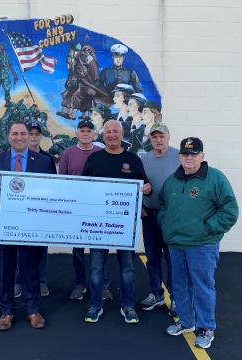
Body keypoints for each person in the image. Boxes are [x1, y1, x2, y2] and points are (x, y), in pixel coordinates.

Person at [159, 137, 239, 349]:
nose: (189, 158)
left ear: (202, 156)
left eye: (194, 154)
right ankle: (186, 322)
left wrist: (207, 228)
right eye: (185, 154)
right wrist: (167, 225)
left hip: (202, 245)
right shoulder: (172, 181)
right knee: (179, 285)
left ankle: (206, 327)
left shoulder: (215, 179)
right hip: (176, 244)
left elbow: (229, 210)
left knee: (203, 286)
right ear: (180, 156)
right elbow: (163, 206)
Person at [0, 120, 55, 330]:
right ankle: (7, 311)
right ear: (8, 136)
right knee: (5, 269)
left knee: (30, 268)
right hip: (4, 227)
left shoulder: (43, 162)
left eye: (23, 133)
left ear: (29, 136)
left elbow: (53, 193)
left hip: (31, 225)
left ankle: (32, 309)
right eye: (15, 134)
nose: (20, 137)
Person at [82, 120, 151, 324]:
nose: (112, 135)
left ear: (122, 134)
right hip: (98, 225)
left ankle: (128, 306)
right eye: (108, 131)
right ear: (103, 135)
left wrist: (147, 189)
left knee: (128, 268)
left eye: (115, 131)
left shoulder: (133, 159)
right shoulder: (94, 159)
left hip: (124, 226)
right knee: (96, 268)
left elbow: (145, 184)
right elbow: (82, 188)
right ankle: (95, 305)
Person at [58, 119, 113, 301]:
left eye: (89, 130)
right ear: (77, 133)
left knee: (100, 248)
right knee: (78, 251)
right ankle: (80, 284)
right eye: (82, 130)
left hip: (97, 209)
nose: (86, 133)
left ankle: (103, 285)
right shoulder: (68, 153)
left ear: (94, 134)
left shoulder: (101, 152)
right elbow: (62, 181)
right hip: (75, 210)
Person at [139, 123, 180, 313]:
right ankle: (156, 293)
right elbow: (137, 184)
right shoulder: (144, 158)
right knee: (152, 257)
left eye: (161, 136)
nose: (158, 140)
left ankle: (175, 297)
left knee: (172, 258)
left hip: (170, 217)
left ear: (168, 137)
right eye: (154, 137)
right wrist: (141, 207)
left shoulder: (179, 157)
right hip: (150, 215)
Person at [14, 121, 56, 299]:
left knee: (41, 249)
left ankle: (41, 280)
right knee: (19, 249)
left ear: (40, 136)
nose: (33, 136)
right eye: (30, 133)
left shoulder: (47, 159)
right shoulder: (16, 157)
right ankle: (18, 282)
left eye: (36, 134)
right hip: (21, 212)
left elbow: (54, 185)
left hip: (41, 213)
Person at [0, 43, 18, 108]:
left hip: (5, 76)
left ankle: (8, 102)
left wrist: (15, 75)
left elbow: (10, 65)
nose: (1, 49)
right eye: (0, 48)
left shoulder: (7, 56)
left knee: (7, 89)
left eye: (2, 48)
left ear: (4, 48)